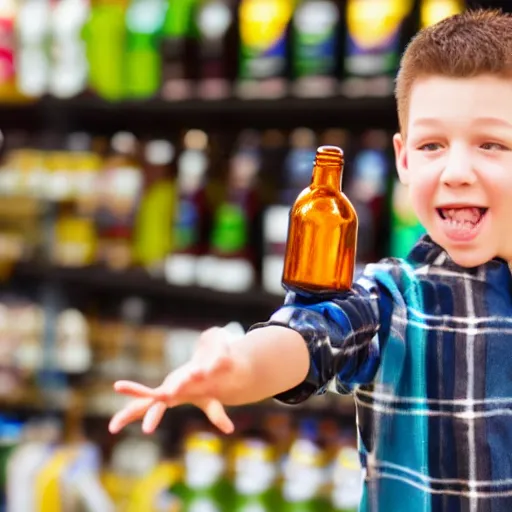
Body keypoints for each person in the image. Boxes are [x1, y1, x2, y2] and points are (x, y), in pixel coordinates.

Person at [108, 8, 512, 511]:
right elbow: (313, 334)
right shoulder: (397, 297)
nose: (455, 171)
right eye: (432, 145)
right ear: (403, 160)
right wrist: (237, 365)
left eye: (491, 144)